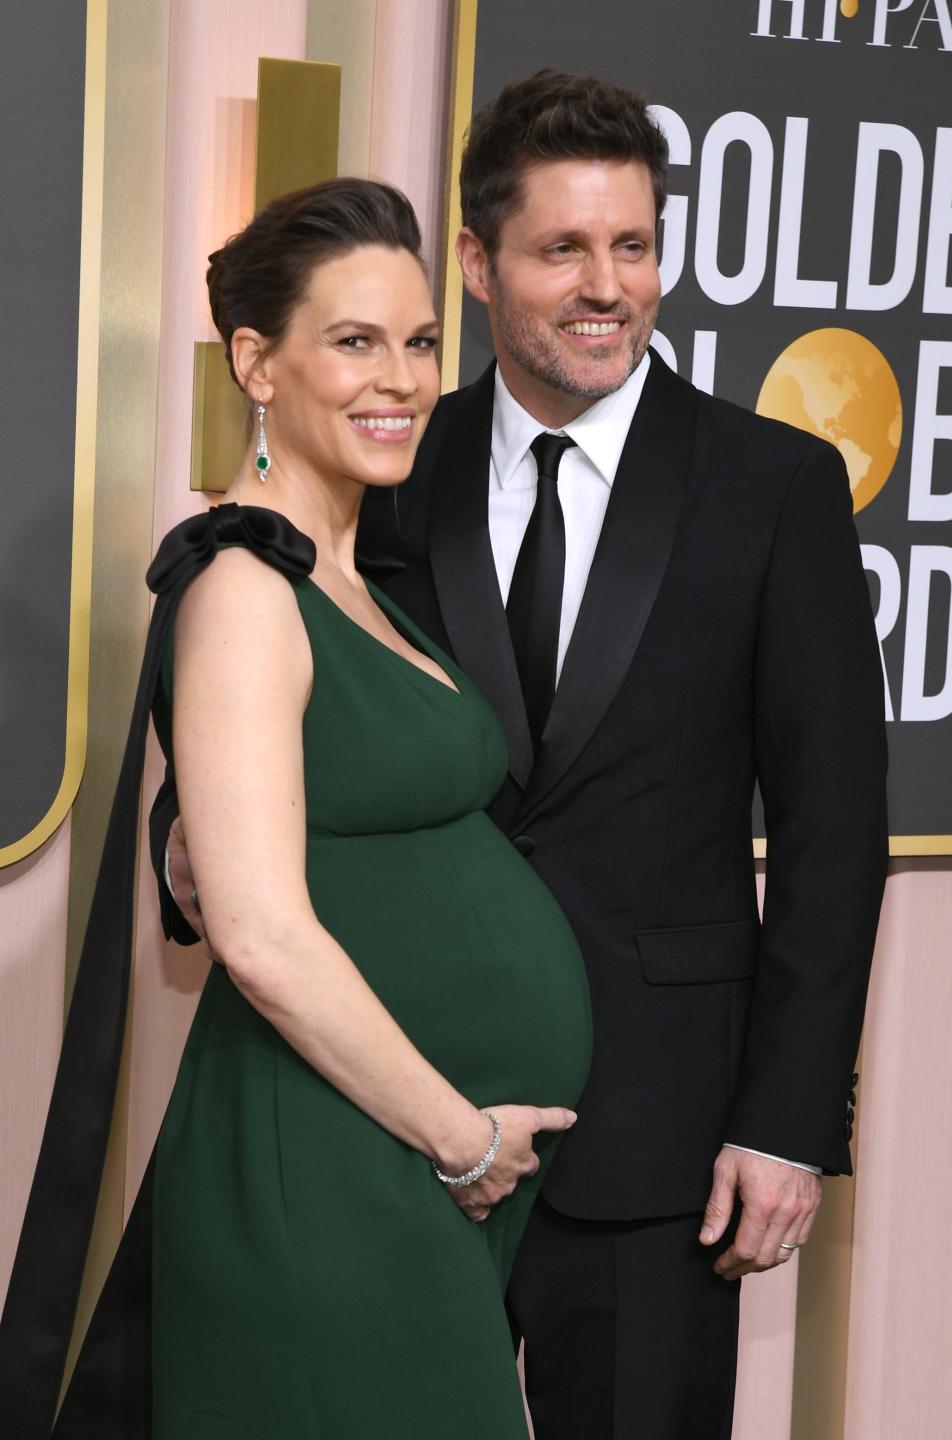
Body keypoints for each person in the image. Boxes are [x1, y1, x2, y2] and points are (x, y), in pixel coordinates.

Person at [156, 73, 889, 1439]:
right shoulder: (383, 469)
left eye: (634, 246)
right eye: (563, 249)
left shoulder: (772, 490)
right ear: (485, 266)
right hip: (387, 1117)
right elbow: (280, 691)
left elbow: (835, 829)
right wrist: (188, 844)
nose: (607, 285)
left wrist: (788, 1119)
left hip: (663, 1140)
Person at [0, 179, 592, 1439]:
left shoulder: (350, 572)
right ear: (256, 362)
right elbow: (261, 937)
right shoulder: (243, 586)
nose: (405, 380)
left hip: (403, 1167)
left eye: (422, 341)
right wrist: (462, 1141)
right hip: (339, 1161)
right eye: (356, 341)